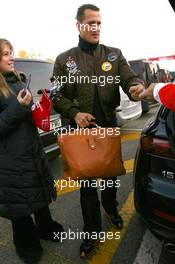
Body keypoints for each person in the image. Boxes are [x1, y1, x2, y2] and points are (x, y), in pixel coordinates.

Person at [52, 4, 145, 258]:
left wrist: (136, 86)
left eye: (99, 23)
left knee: (110, 175)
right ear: (79, 25)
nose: (96, 28)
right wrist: (74, 113)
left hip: (108, 129)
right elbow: (56, 95)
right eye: (91, 22)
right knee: (86, 187)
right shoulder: (64, 60)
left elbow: (129, 78)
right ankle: (91, 232)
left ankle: (111, 208)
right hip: (80, 133)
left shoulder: (114, 54)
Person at [0, 39, 64, 264]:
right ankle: (27, 247)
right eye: (5, 54)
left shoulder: (17, 81)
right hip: (10, 160)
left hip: (31, 150)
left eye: (11, 53)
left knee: (38, 194)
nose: (11, 57)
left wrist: (43, 103)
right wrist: (19, 107)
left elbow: (28, 114)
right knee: (20, 206)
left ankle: (46, 229)